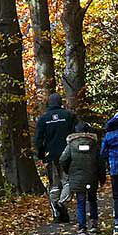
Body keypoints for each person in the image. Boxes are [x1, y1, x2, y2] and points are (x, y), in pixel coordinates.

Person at [59, 113, 105, 235]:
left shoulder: (71, 145)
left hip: (77, 177)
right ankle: (94, 225)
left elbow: (63, 159)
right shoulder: (94, 145)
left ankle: (82, 227)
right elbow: (100, 162)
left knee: (80, 201)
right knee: (92, 199)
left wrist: (68, 170)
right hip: (92, 176)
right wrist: (102, 178)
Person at [33, 92, 77, 222]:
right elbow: (76, 134)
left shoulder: (43, 119)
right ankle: (62, 203)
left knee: (54, 185)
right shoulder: (69, 116)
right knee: (68, 181)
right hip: (68, 155)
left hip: (51, 156)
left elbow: (38, 140)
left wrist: (41, 154)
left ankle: (57, 213)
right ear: (60, 102)